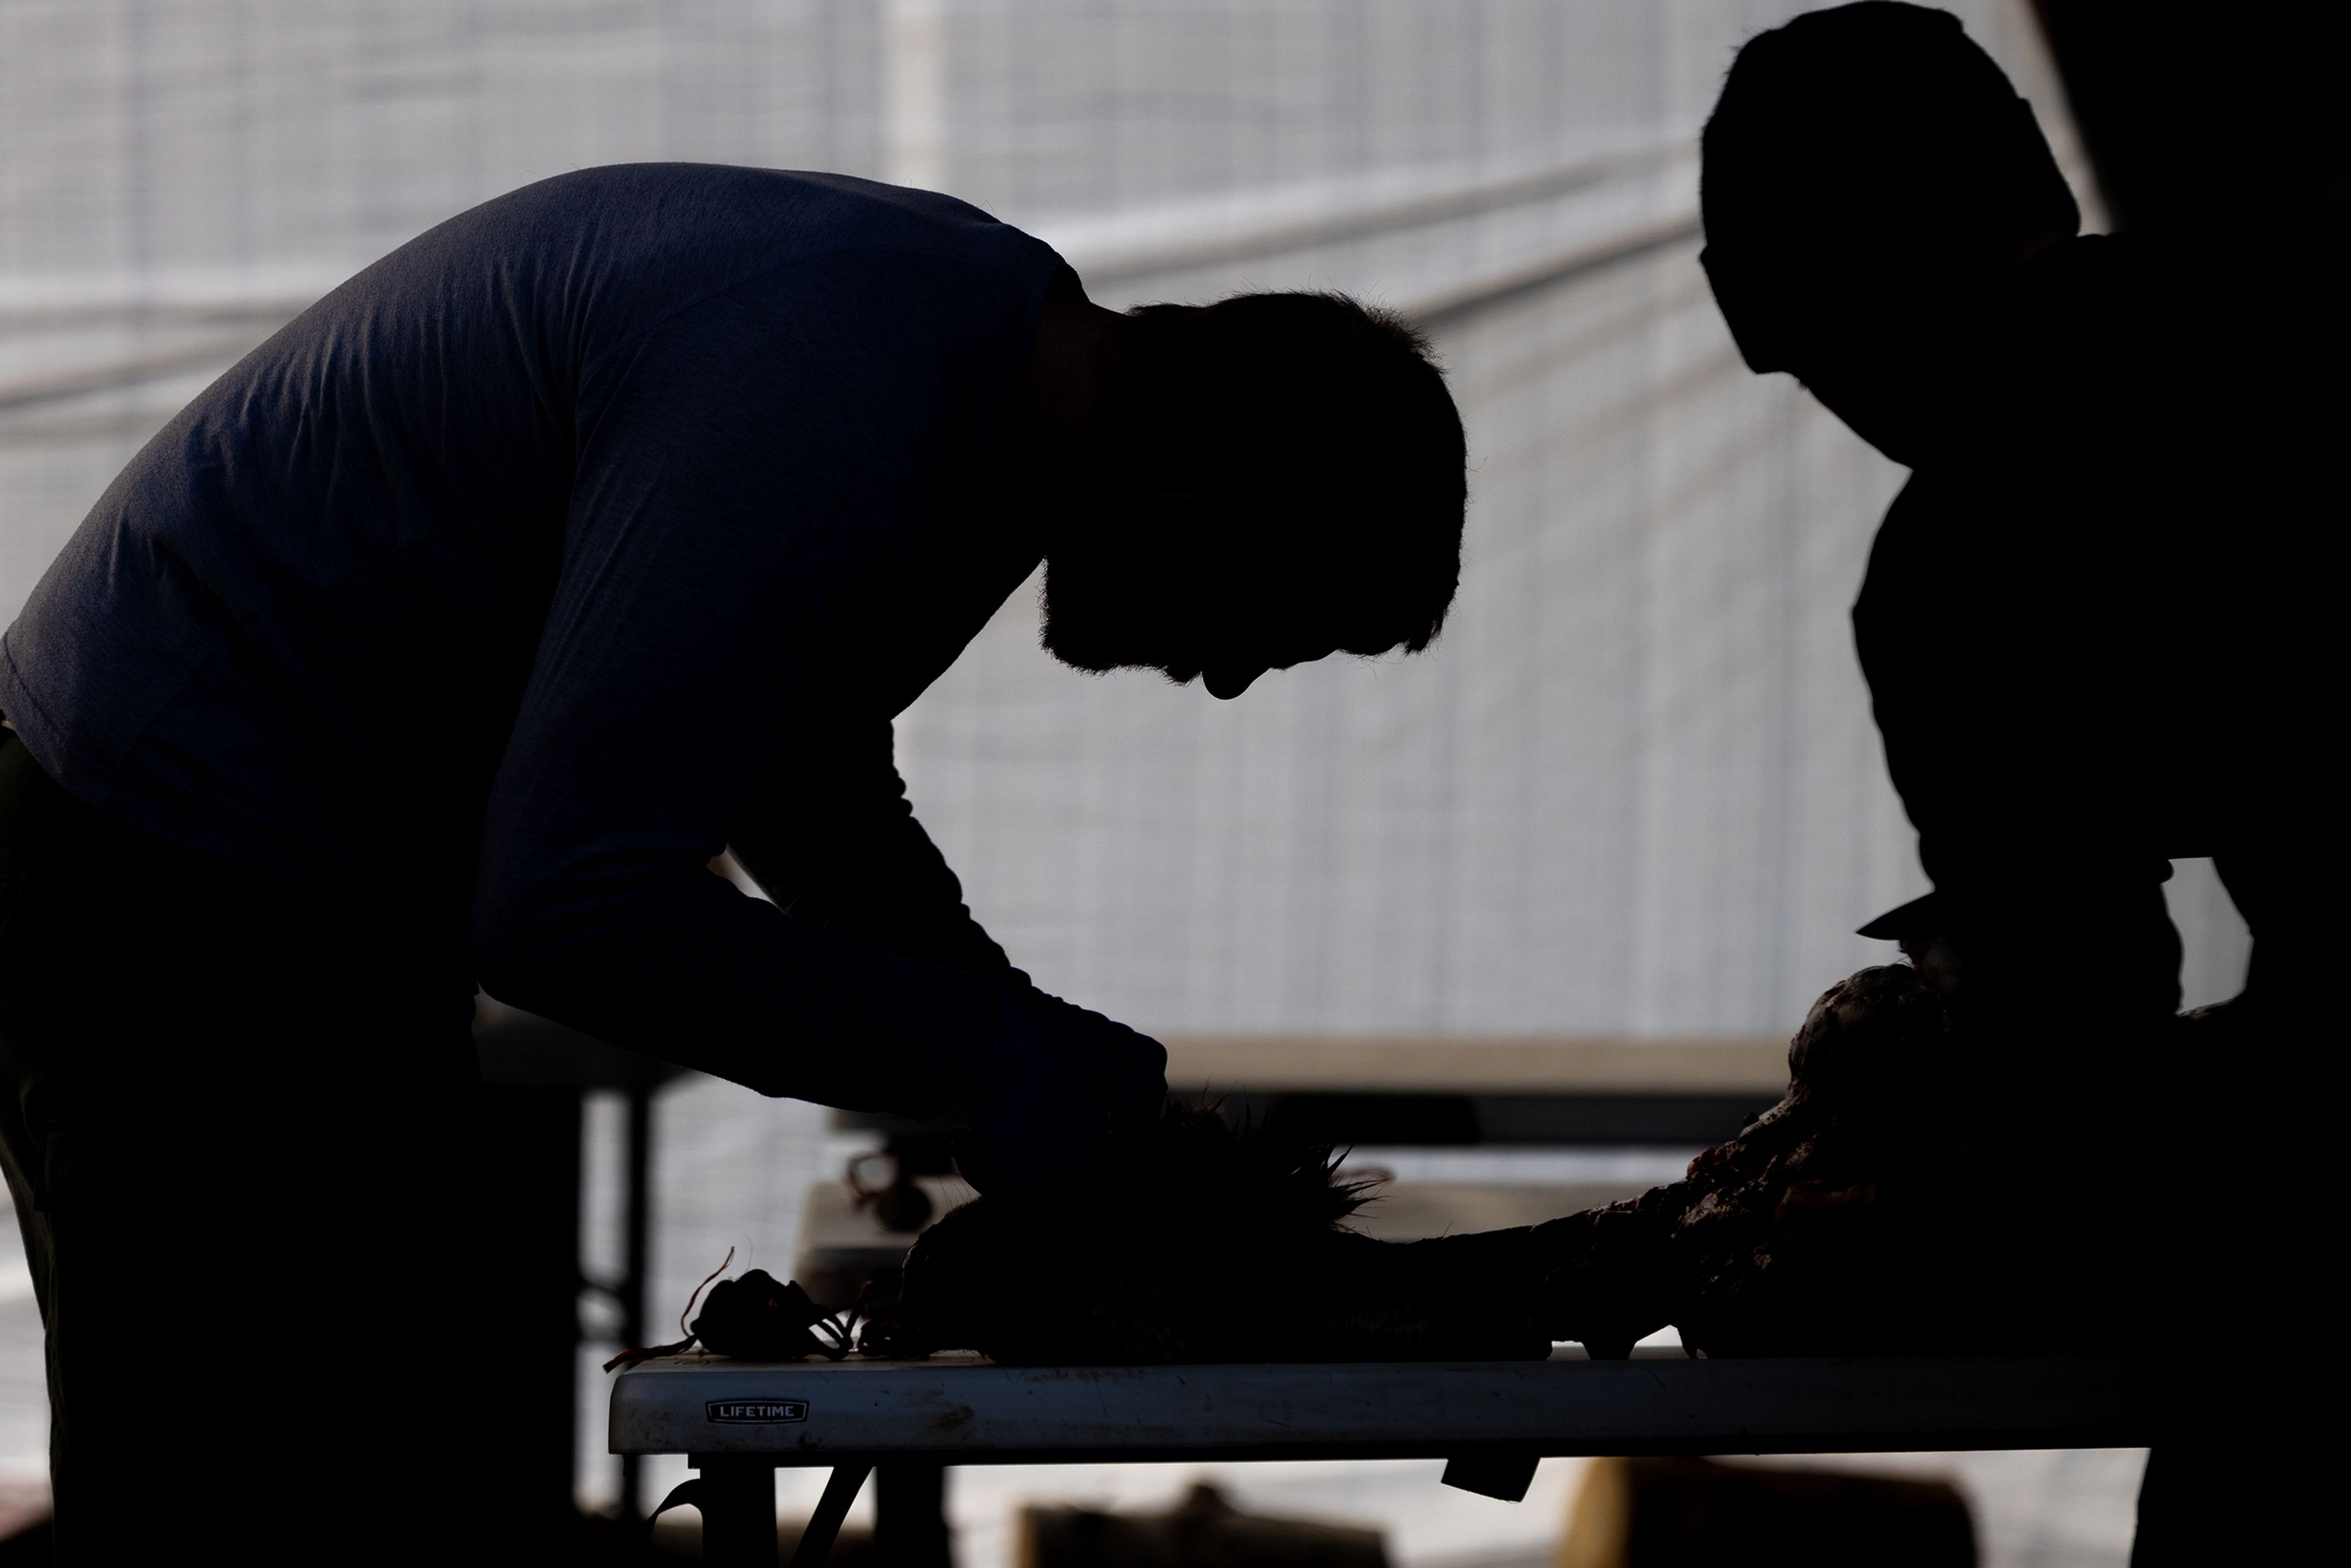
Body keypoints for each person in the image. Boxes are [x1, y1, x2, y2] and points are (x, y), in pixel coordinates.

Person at [0, 164, 1469, 1559]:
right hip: (154, 881)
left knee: (389, 1471)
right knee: (235, 1505)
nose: (1225, 683)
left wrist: (1001, 1039)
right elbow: (568, 910)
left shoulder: (994, 380)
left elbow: (803, 770)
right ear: (1188, 516)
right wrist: (988, 1045)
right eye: (1275, 635)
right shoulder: (828, 390)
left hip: (294, 891)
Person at [1697, 6, 2343, 1562]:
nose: (1829, 409)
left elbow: (2076, 1034)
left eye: (1786, 354)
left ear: (1794, 295)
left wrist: (1863, 1224)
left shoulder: (1968, 549)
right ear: (2036, 180)